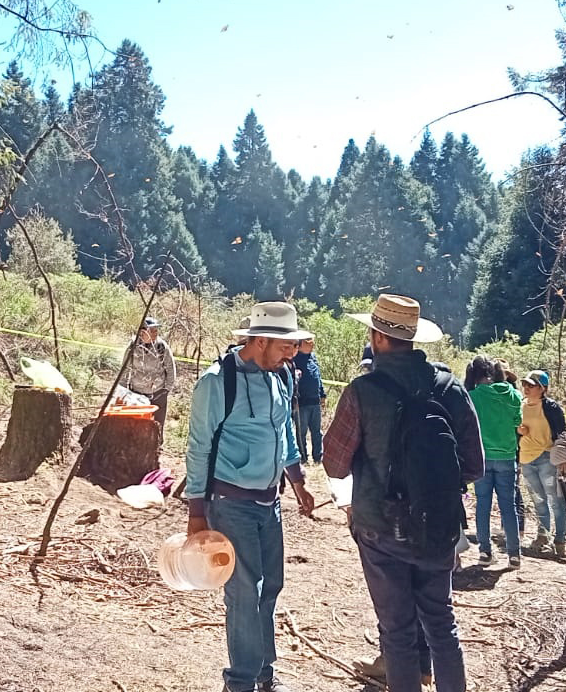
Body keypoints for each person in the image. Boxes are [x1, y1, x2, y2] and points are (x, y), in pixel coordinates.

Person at [323, 294, 485, 692]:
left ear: (377, 337)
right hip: (439, 527)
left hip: (380, 528)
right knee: (442, 626)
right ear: (412, 338)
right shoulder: (450, 388)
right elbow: (475, 466)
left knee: (396, 632)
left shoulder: (363, 391)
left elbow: (334, 465)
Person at [186, 301, 316, 692]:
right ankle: (241, 681)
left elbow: (285, 433)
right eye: (286, 345)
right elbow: (197, 447)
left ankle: (263, 673)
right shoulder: (216, 382)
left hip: (269, 503)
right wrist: (196, 512)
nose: (293, 352)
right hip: (230, 504)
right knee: (245, 591)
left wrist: (297, 480)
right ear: (260, 340)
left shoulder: (281, 377)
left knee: (270, 585)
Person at [465, 357, 524, 567]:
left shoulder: (472, 396)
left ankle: (485, 552)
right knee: (509, 506)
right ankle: (514, 554)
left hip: (482, 458)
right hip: (507, 457)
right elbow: (518, 423)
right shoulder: (514, 395)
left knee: (483, 505)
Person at [518, 369, 566, 558]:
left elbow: (563, 433)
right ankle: (542, 536)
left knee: (556, 501)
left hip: (547, 458)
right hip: (526, 458)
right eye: (525, 384)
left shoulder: (551, 408)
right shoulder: (520, 405)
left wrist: (564, 460)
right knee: (538, 501)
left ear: (543, 388)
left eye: (531, 385)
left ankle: (560, 540)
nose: (527, 388)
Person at [124, 317, 177, 431]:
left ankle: (158, 446)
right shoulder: (133, 346)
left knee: (157, 424)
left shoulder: (162, 347)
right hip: (136, 392)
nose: (155, 333)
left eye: (156, 330)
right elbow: (125, 369)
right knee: (136, 423)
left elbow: (171, 369)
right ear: (142, 332)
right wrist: (123, 391)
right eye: (151, 330)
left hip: (157, 392)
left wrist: (166, 390)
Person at [291, 334, 327, 465]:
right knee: (301, 432)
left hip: (315, 401)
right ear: (300, 344)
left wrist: (322, 395)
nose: (312, 343)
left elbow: (318, 377)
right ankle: (303, 458)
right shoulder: (294, 360)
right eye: (308, 341)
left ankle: (318, 457)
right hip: (301, 403)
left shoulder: (313, 358)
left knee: (317, 432)